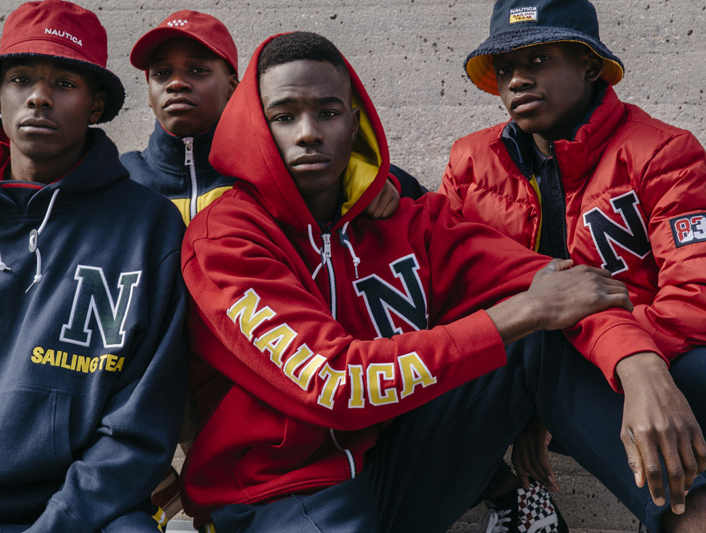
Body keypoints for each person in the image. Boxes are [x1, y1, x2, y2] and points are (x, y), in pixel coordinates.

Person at [178, 31, 664, 532]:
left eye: (327, 112)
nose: (307, 133)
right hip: (277, 491)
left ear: (354, 123)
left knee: (541, 339)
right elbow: (335, 384)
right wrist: (520, 313)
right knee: (527, 318)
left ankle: (683, 511)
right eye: (284, 117)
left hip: (388, 464)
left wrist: (639, 365)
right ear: (257, 127)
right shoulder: (226, 238)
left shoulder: (412, 221)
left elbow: (559, 285)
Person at [0, 1, 188, 531]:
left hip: (89, 513)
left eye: (64, 82)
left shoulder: (148, 228)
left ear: (96, 104)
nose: (39, 96)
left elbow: (141, 423)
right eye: (21, 79)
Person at [438, 1, 706, 531]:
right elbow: (447, 291)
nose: (517, 80)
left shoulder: (662, 152)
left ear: (587, 64)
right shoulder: (471, 162)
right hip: (519, 365)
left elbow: (695, 295)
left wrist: (632, 362)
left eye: (538, 59)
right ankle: (513, 497)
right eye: (505, 67)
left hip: (646, 362)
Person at [0, 10, 419, 229]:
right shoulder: (119, 178)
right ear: (147, 89)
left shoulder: (269, 171)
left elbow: (352, 175)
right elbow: (37, 188)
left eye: (197, 71)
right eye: (162, 73)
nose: (177, 84)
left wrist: (376, 184)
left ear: (233, 85)